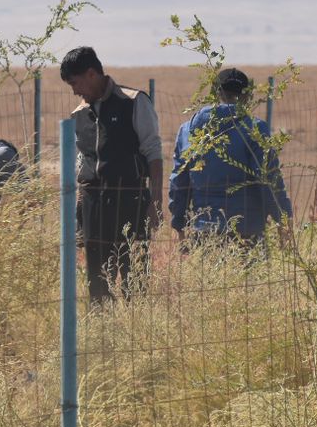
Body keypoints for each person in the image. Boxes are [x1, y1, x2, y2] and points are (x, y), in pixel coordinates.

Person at [61, 47, 163, 303]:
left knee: (135, 277)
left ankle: (135, 331)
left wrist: (156, 201)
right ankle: (104, 335)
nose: (75, 91)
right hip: (93, 207)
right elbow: (80, 162)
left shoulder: (134, 101)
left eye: (75, 83)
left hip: (131, 200)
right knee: (97, 281)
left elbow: (153, 152)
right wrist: (80, 209)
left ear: (92, 73)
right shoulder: (78, 114)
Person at [168, 67, 291, 248]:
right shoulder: (255, 129)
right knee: (249, 276)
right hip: (247, 230)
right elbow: (267, 179)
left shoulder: (188, 130)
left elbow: (180, 182)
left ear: (215, 93)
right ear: (247, 96)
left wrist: (179, 223)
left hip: (204, 228)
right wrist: (282, 218)